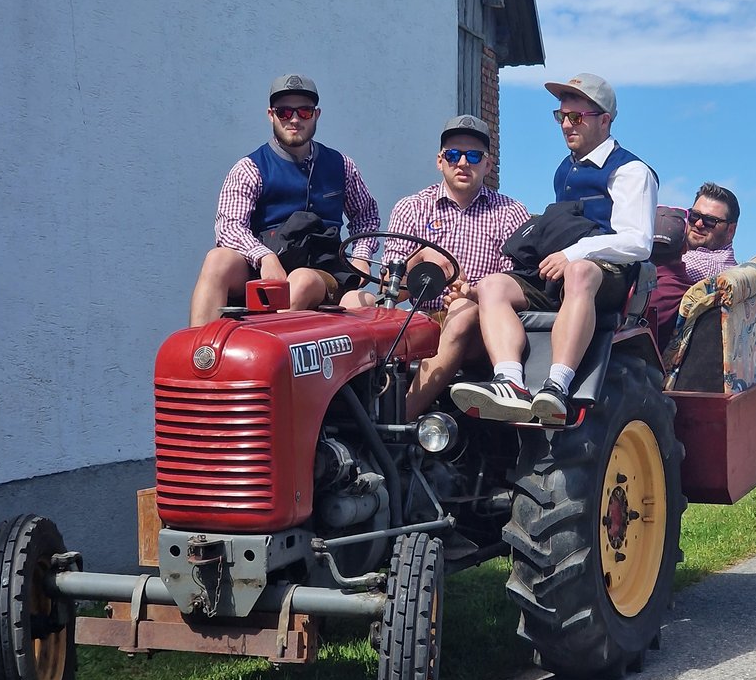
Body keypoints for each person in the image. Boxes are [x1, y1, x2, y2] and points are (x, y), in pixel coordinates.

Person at [451, 73, 657, 427]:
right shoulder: (566, 169)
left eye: (576, 117)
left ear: (605, 120)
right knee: (492, 285)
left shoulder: (631, 171)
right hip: (558, 270)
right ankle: (510, 382)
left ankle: (557, 387)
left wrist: (576, 253)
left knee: (579, 272)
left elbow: (638, 241)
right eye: (560, 116)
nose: (565, 124)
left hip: (605, 276)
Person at [190, 75, 380, 325]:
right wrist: (264, 257)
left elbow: (366, 215)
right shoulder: (249, 168)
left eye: (304, 111)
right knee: (217, 260)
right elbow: (229, 227)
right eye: (284, 112)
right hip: (264, 266)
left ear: (316, 115)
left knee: (301, 280)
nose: (294, 119)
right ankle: (201, 346)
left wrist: (361, 257)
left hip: (321, 269)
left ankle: (263, 346)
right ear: (271, 115)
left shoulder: (342, 165)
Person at [382, 115, 529, 419]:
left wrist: (470, 293)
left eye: (474, 156)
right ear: (440, 161)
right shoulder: (411, 207)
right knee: (354, 303)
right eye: (453, 154)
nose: (463, 163)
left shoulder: (510, 213)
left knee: (462, 310)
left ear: (488, 165)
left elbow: (517, 285)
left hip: (478, 328)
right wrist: (420, 258)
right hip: (418, 321)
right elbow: (389, 291)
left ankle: (398, 422)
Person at [648, 184, 740, 351]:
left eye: (710, 221)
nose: (698, 224)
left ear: (731, 230)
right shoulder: (732, 266)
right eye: (694, 215)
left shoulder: (700, 267)